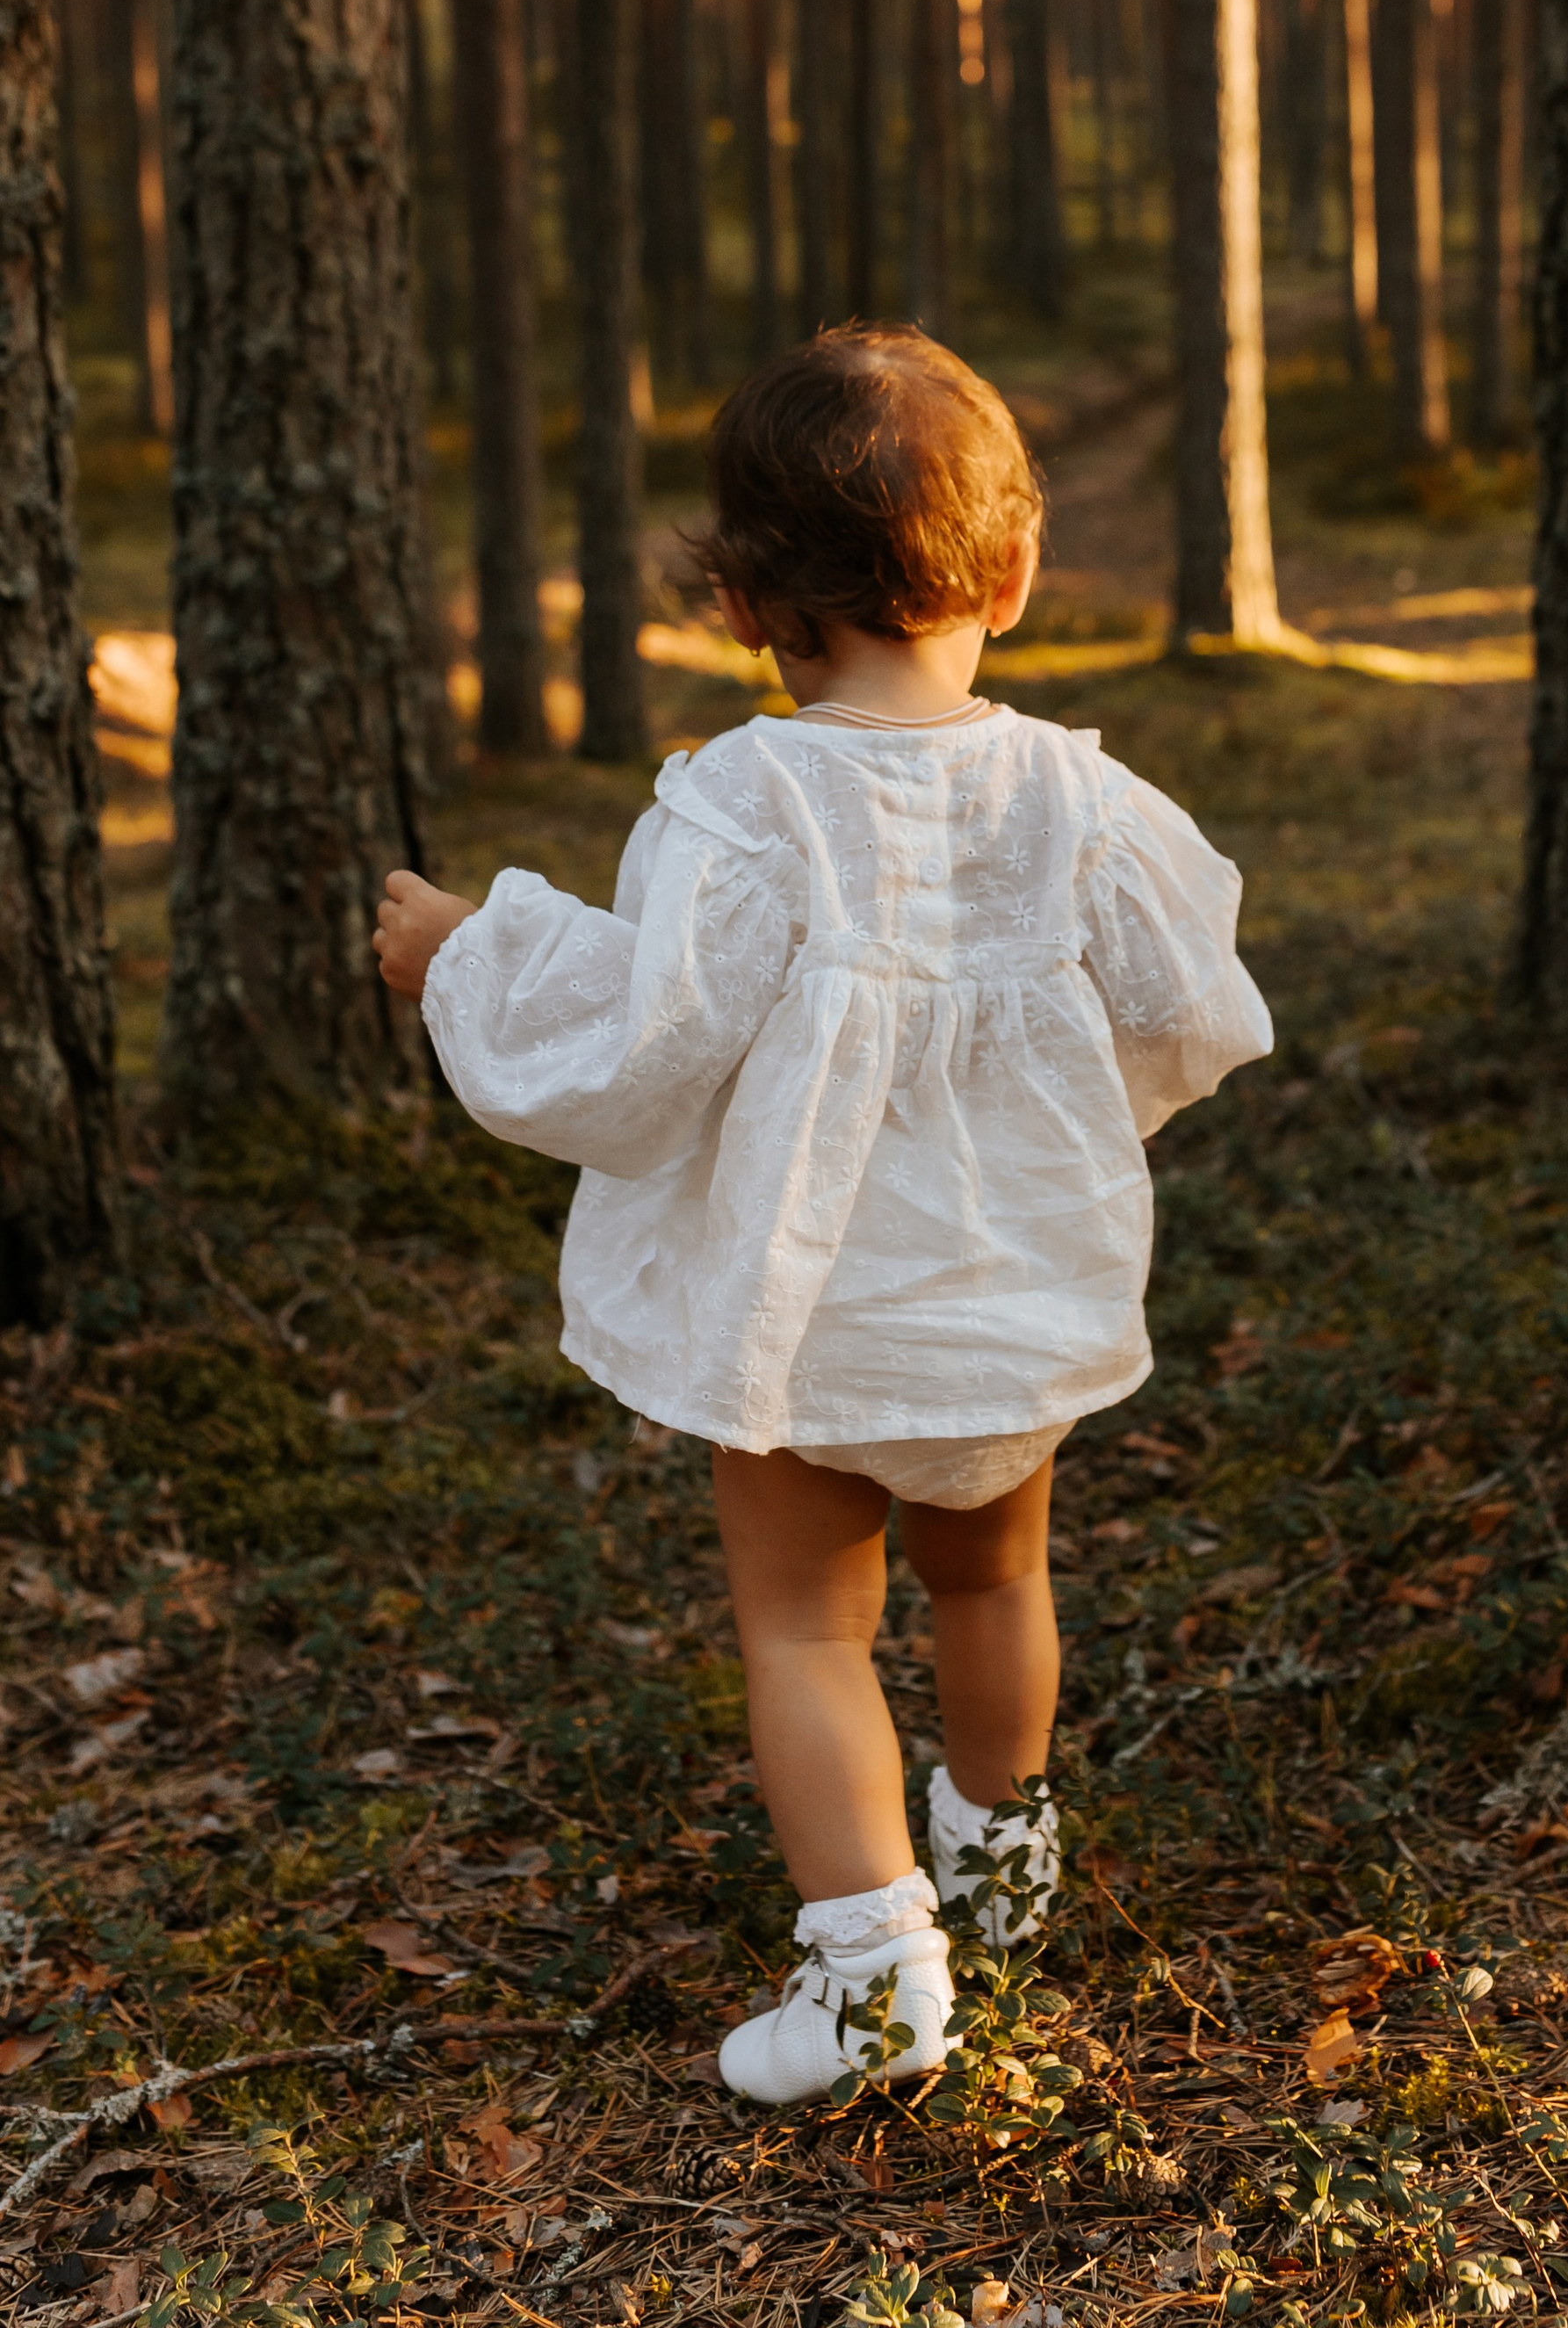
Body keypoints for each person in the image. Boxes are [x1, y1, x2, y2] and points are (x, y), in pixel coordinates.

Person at [372, 323, 1271, 2106]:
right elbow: (1190, 1015)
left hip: (807, 1319)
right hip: (1006, 1294)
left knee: (804, 1627)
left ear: (740, 604)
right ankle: (999, 1858)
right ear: (1013, 573)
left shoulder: (742, 804)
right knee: (994, 1574)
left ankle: (871, 1982)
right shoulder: (1082, 799)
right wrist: (1051, 1122)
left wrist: (474, 956)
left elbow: (646, 1047)